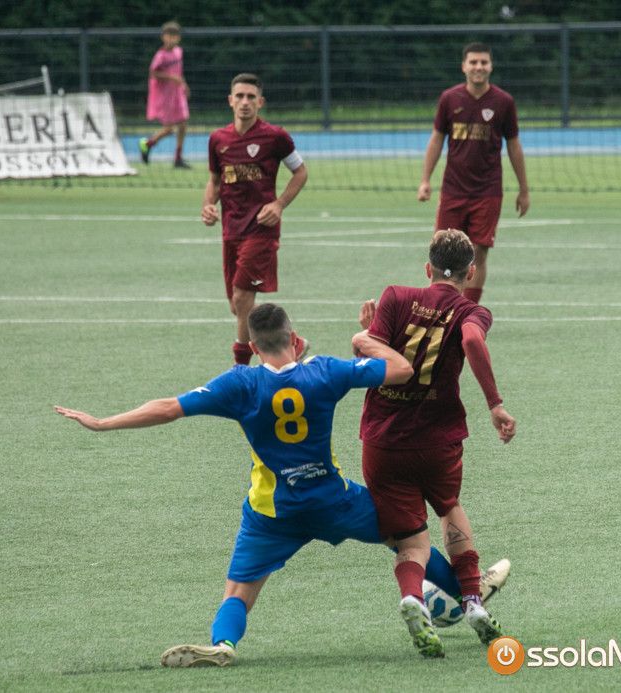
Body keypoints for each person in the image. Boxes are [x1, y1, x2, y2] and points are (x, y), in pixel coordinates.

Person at [56, 303, 479, 667]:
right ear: (294, 339)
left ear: (255, 348)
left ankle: (224, 644)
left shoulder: (240, 384)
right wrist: (368, 337)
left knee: (239, 591)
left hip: (273, 513)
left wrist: (104, 423)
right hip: (334, 501)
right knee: (406, 537)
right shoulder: (325, 372)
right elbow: (400, 370)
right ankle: (468, 595)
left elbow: (169, 408)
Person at [356, 229, 517, 657]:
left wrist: (368, 332)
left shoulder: (395, 297)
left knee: (411, 539)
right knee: (449, 507)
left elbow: (370, 357)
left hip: (384, 440)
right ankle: (473, 602)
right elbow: (472, 339)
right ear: (471, 272)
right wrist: (495, 404)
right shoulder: (473, 311)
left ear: (428, 268)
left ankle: (413, 597)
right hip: (438, 439)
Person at [202, 73, 309, 366]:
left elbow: (300, 172)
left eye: (251, 97)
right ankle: (292, 342)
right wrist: (208, 205)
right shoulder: (218, 139)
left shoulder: (275, 137)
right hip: (231, 230)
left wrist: (279, 204)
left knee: (241, 297)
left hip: (262, 230)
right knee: (237, 307)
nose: (245, 102)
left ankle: (240, 368)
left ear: (260, 102)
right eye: (240, 96)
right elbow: (215, 181)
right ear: (230, 100)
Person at [416, 42, 530, 304]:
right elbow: (436, 139)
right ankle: (439, 308)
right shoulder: (449, 99)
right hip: (453, 189)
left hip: (488, 191)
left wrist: (524, 190)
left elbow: (514, 145)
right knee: (441, 250)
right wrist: (425, 180)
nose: (479, 67)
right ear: (464, 66)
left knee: (478, 252)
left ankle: (468, 311)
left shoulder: (504, 102)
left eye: (484, 62)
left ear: (491, 66)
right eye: (474, 62)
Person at [139, 21, 191, 168]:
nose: (172, 39)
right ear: (163, 37)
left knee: (183, 124)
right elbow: (153, 73)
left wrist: (183, 84)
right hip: (165, 96)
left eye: (175, 36)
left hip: (177, 94)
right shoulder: (160, 55)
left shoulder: (178, 52)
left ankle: (178, 158)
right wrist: (171, 78)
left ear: (179, 38)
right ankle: (147, 144)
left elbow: (179, 73)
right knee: (169, 129)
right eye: (169, 36)